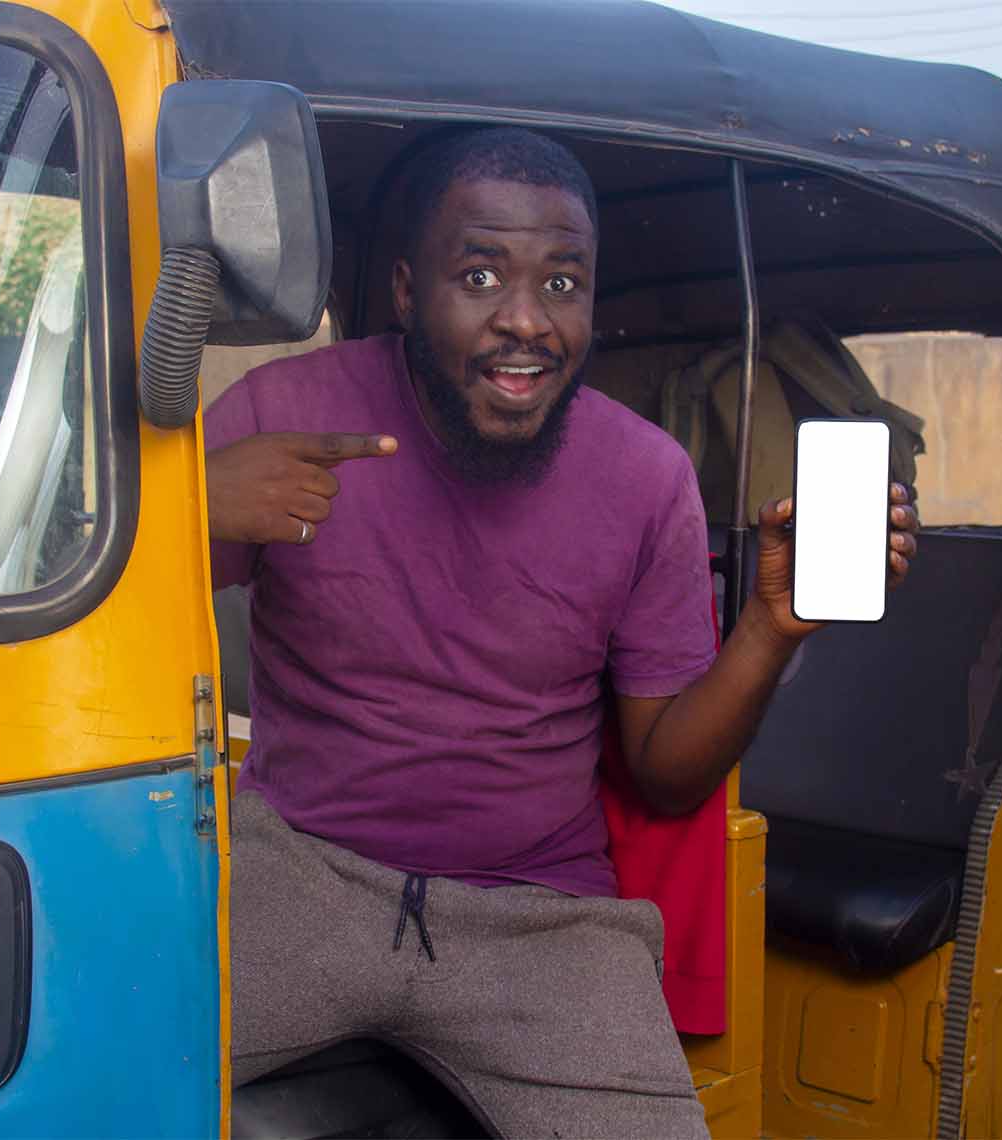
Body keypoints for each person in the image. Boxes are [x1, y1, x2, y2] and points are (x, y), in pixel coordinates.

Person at [204, 127, 919, 1137]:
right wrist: (185, 505)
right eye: (481, 274)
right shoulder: (284, 412)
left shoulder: (644, 476)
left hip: (538, 915)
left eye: (564, 283)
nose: (525, 322)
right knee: (68, 1085)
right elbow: (86, 613)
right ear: (410, 291)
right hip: (300, 874)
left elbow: (667, 774)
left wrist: (769, 628)